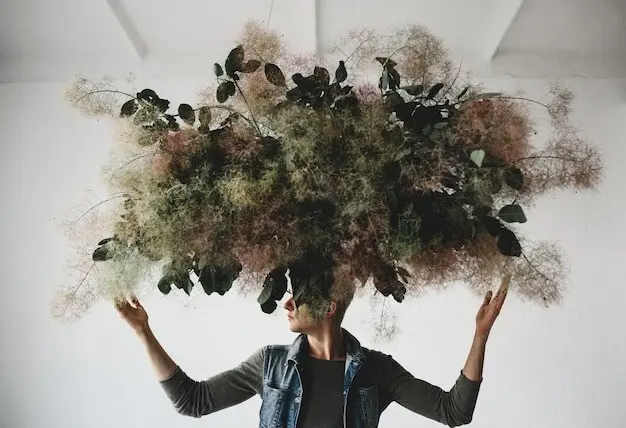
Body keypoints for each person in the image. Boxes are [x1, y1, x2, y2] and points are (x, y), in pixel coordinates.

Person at [115, 274, 509, 428]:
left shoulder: (377, 371)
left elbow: (454, 411)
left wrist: (481, 335)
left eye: (298, 296)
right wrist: (143, 331)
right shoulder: (270, 365)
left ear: (328, 308)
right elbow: (192, 401)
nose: (287, 303)